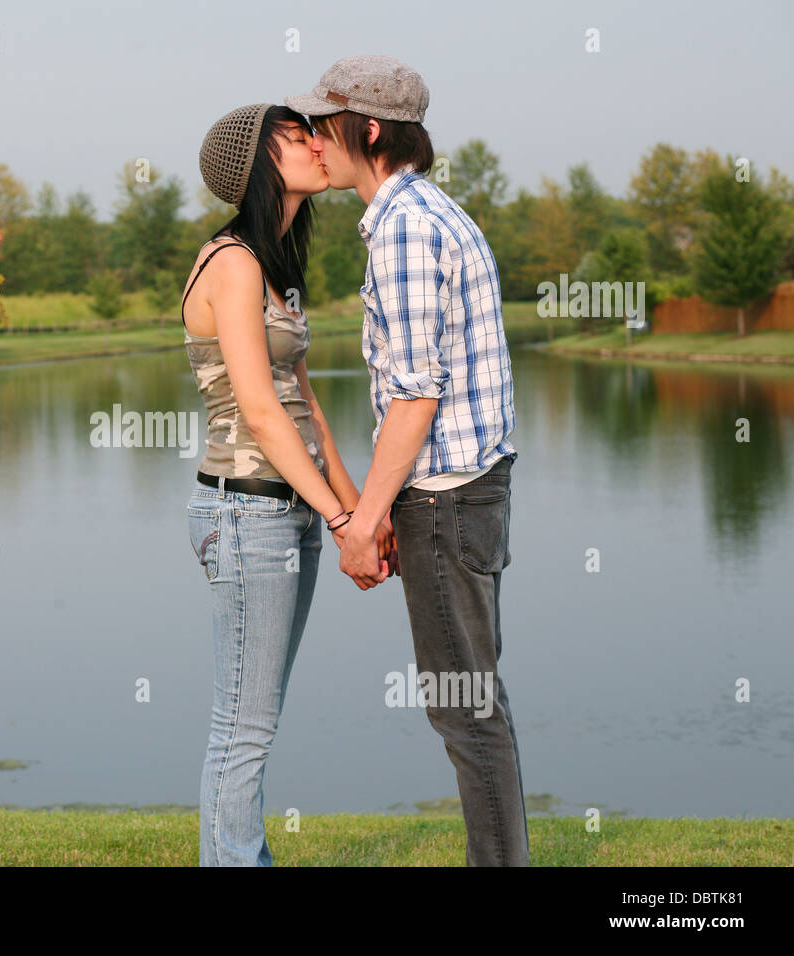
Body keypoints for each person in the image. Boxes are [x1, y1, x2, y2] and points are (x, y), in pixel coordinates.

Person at [286, 55, 529, 865]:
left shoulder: (402, 227)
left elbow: (415, 396)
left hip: (446, 500)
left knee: (464, 709)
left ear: (370, 130)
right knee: (473, 703)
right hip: (465, 494)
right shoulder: (429, 213)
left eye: (324, 126)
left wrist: (367, 522)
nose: (315, 143)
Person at [182, 102, 395, 866]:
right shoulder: (232, 263)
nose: (316, 144)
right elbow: (265, 416)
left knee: (252, 722)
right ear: (260, 164)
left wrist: (366, 510)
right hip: (246, 510)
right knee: (243, 727)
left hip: (288, 512)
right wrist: (343, 524)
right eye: (297, 137)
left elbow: (310, 413)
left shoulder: (272, 265)